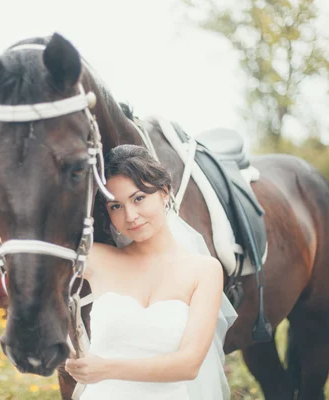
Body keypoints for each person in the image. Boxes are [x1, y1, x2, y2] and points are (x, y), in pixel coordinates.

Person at [65, 144, 237, 400]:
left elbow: (189, 365)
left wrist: (105, 369)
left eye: (138, 198)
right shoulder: (96, 258)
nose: (131, 216)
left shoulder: (204, 270)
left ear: (165, 192)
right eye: (116, 206)